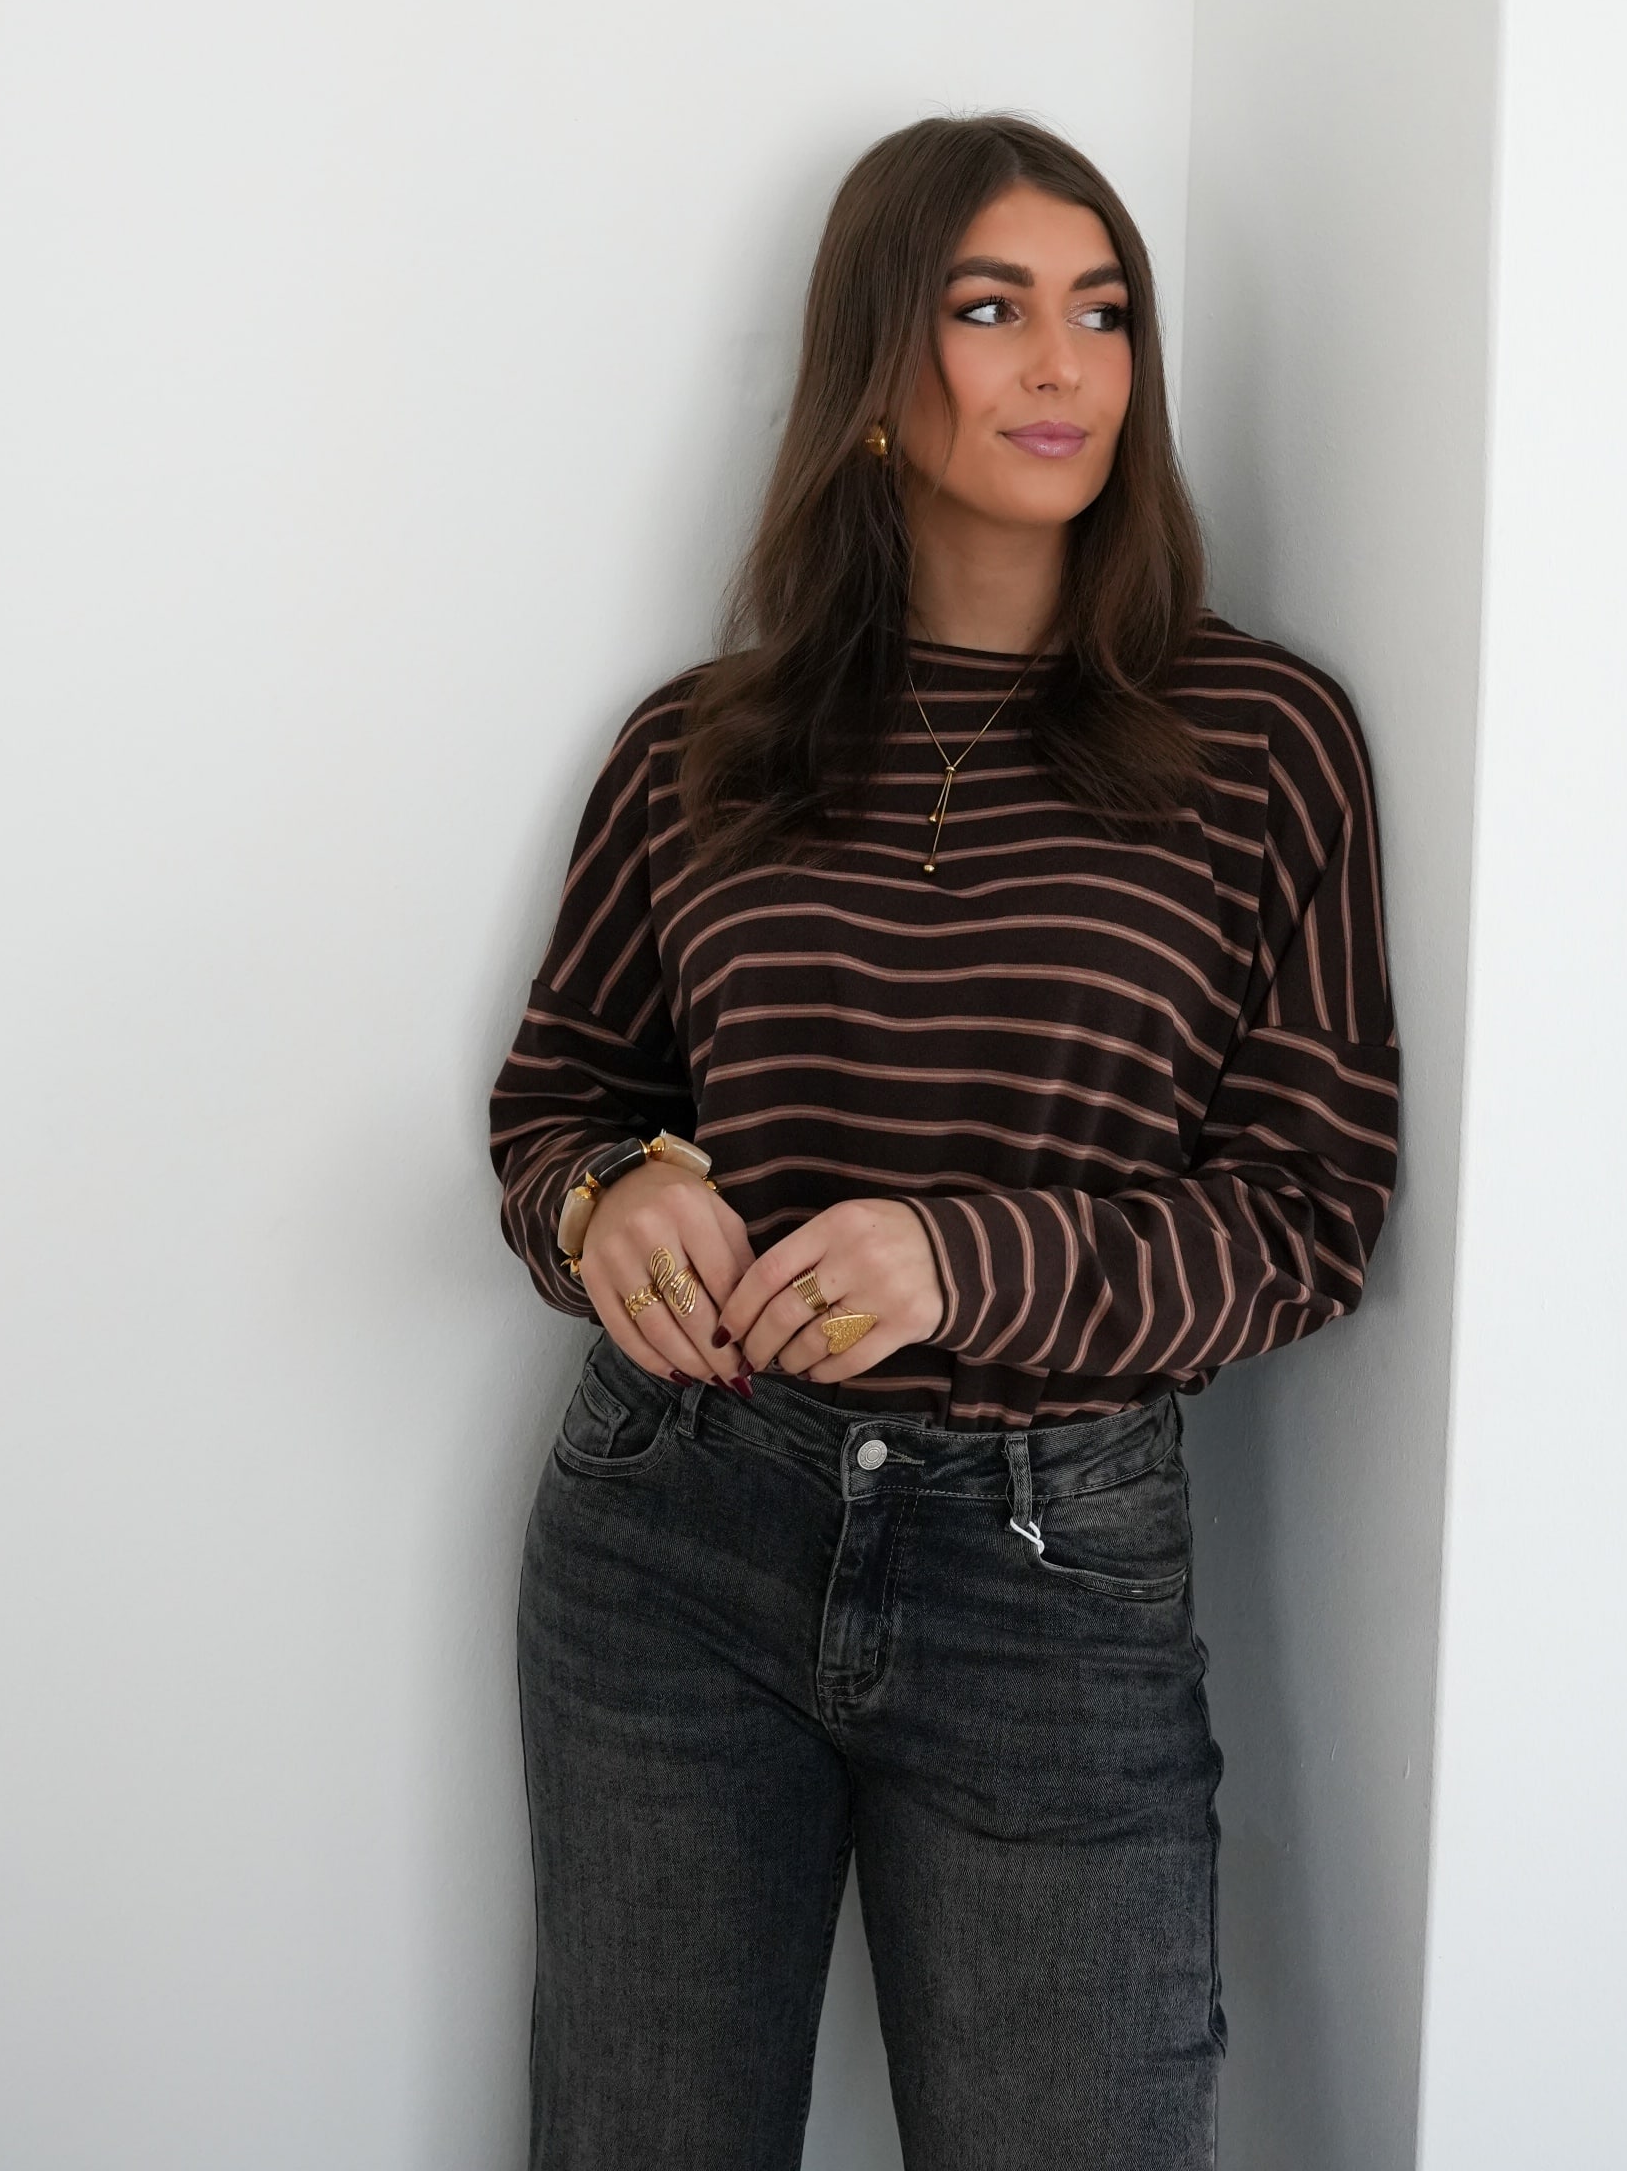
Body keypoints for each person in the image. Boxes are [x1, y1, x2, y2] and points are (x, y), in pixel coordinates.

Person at [489, 112, 1399, 2171]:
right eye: (991, 310)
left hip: (1048, 1565)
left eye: (1104, 311)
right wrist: (601, 1205)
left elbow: (1311, 1210)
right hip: (676, 1524)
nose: (1063, 365)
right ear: (878, 369)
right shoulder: (700, 743)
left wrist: (960, 1257)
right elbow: (560, 1103)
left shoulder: (1261, 740)